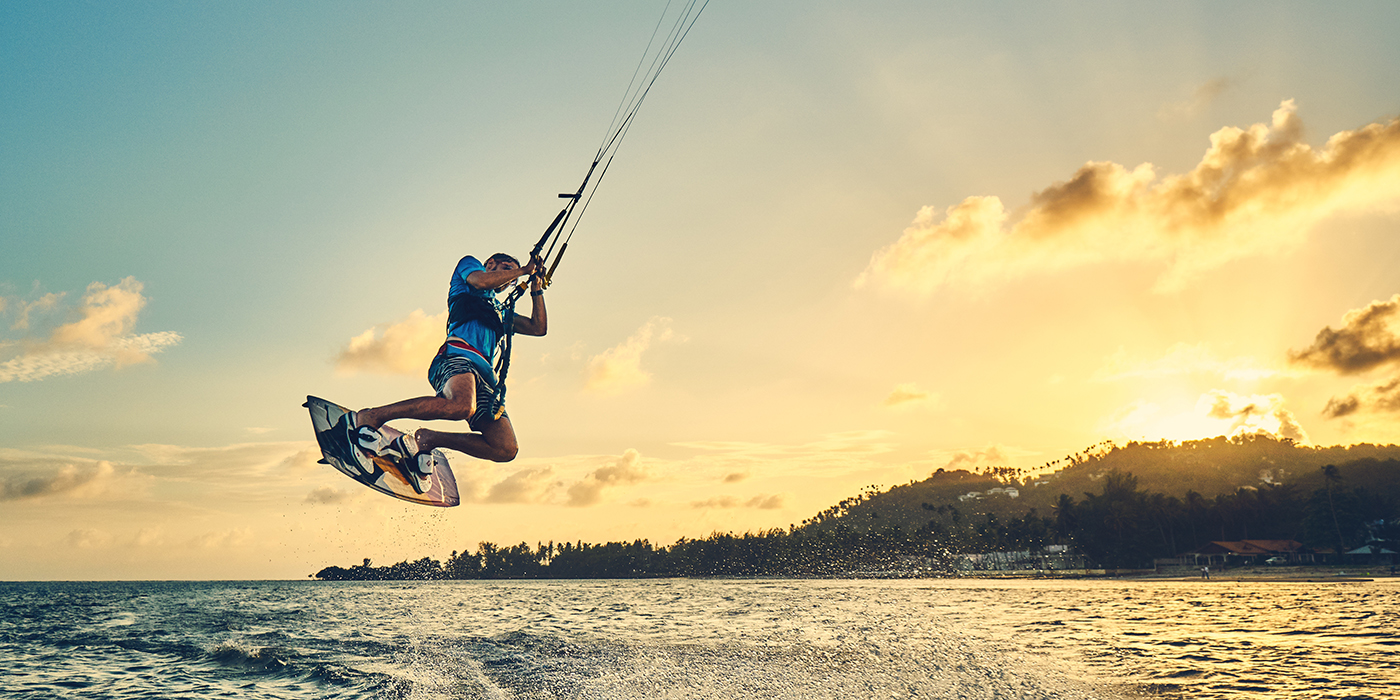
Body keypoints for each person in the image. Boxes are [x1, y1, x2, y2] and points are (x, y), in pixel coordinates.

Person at [351, 252, 547, 489]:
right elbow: (480, 281)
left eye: (512, 278)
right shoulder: (470, 269)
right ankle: (373, 417)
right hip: (457, 356)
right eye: (505, 269)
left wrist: (536, 287)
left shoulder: (501, 311)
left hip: (485, 379)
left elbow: (538, 328)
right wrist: (524, 270)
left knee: (505, 448)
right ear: (491, 264)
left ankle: (430, 439)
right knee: (461, 407)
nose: (508, 280)